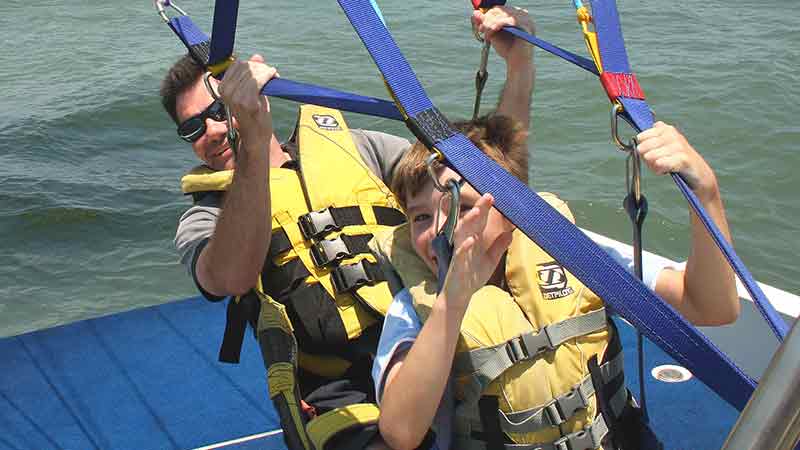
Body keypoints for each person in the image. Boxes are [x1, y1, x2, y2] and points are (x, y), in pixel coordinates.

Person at [161, 7, 536, 450]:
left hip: (434, 335)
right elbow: (229, 278)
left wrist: (519, 67)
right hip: (340, 391)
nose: (213, 130)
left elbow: (488, 179)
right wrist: (254, 143)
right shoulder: (205, 216)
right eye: (191, 128)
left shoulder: (358, 148)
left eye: (218, 110)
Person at [369, 114, 739, 450]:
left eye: (463, 209)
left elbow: (711, 306)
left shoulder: (570, 256)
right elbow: (401, 432)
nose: (439, 232)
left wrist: (704, 191)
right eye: (419, 218)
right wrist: (453, 301)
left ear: (512, 210)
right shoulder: (413, 309)